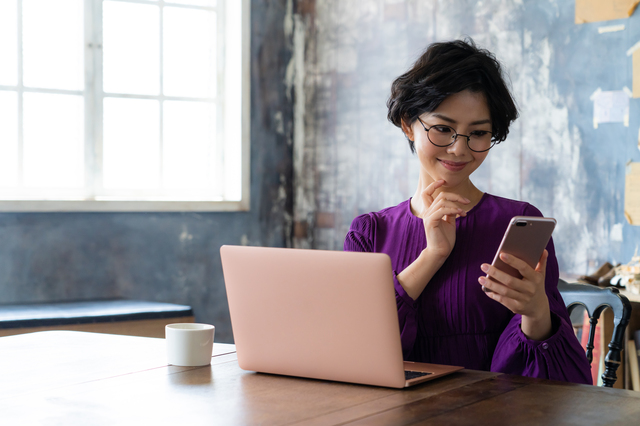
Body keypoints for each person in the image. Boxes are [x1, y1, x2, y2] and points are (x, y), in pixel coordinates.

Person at [343, 39, 592, 384]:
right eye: (443, 129)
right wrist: (433, 255)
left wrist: (536, 314)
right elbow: (352, 348)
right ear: (407, 123)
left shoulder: (517, 223)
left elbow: (557, 383)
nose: (459, 149)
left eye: (477, 133)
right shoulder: (370, 233)